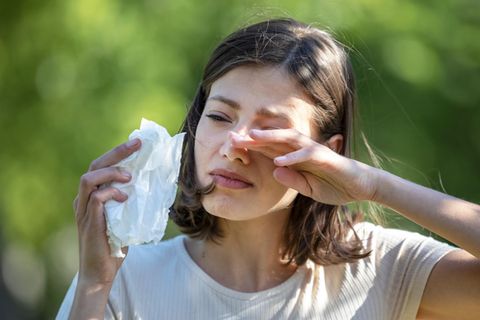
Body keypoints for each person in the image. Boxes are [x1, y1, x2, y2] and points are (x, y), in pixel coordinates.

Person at [56, 18, 480, 319]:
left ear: (327, 153)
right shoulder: (121, 278)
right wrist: (94, 284)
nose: (234, 148)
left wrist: (372, 184)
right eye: (220, 117)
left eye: (271, 130)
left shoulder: (384, 269)